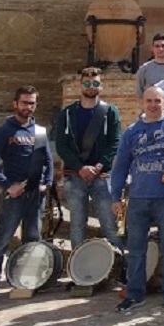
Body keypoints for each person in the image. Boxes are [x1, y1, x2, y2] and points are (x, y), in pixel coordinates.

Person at [110, 86, 164, 312]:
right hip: (138, 198)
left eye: (158, 100)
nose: (153, 105)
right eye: (149, 101)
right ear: (142, 103)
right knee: (135, 250)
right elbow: (121, 166)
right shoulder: (132, 131)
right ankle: (135, 294)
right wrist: (116, 196)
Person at [0, 86, 53, 302]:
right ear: (15, 104)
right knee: (2, 239)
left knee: (32, 239)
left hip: (35, 195)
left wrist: (46, 184)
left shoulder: (39, 131)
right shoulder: (5, 131)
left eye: (32, 103)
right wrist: (6, 184)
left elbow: (48, 161)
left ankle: (27, 280)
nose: (28, 107)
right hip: (15, 195)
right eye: (24, 103)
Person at [54, 68, 122, 251]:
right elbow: (61, 145)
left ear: (101, 86)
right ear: (80, 85)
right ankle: (78, 271)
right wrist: (80, 167)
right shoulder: (67, 113)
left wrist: (99, 166)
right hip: (74, 176)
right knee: (77, 225)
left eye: (95, 83)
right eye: (87, 83)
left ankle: (119, 266)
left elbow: (115, 143)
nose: (91, 87)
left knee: (109, 224)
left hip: (101, 178)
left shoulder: (110, 112)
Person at [136, 33, 164, 98]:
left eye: (163, 46)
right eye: (157, 46)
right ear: (152, 48)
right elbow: (140, 94)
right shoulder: (144, 69)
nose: (160, 49)